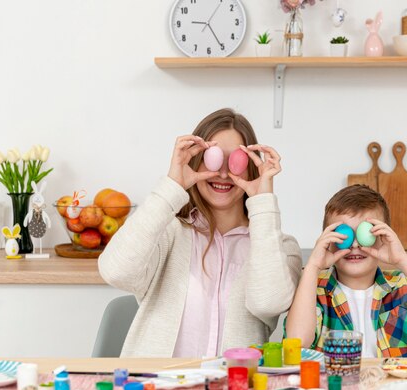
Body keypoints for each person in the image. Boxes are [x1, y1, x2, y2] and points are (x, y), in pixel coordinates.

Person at [99, 108, 302, 357]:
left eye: (237, 162)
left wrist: (263, 201)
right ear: (196, 161)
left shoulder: (278, 246)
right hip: (156, 387)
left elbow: (268, 302)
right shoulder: (168, 232)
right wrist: (173, 185)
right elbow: (115, 271)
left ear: (251, 168)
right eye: (213, 158)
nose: (224, 173)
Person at [285, 185, 407, 357]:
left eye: (366, 235)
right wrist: (313, 266)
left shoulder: (400, 287)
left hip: (393, 386)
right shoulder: (314, 289)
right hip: (337, 386)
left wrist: (402, 260)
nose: (354, 245)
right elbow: (298, 342)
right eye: (343, 236)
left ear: (382, 238)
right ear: (328, 241)